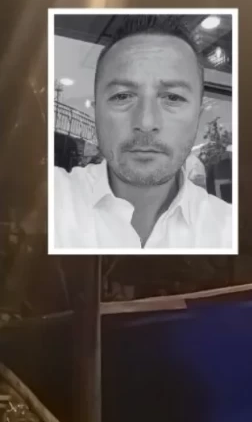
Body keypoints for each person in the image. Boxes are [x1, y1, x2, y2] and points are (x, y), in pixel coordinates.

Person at [52, 15, 233, 252]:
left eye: (173, 97)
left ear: (198, 116)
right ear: (96, 112)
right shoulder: (50, 200)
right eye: (122, 96)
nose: (146, 123)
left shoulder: (230, 230)